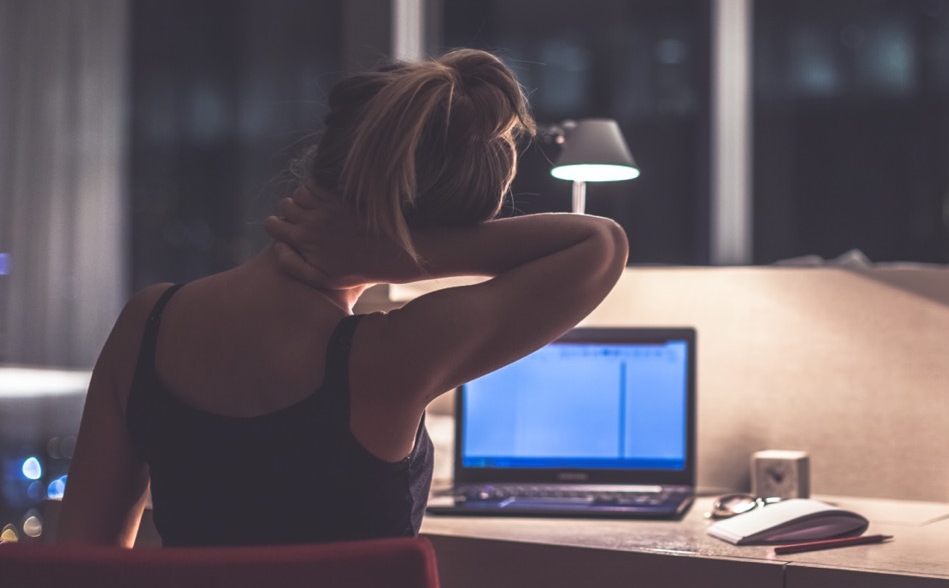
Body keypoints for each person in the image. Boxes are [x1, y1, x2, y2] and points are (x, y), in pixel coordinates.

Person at [58, 48, 629, 548]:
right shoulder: (393, 356)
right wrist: (402, 254)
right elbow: (599, 243)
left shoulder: (147, 321)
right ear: (440, 228)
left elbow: (85, 565)